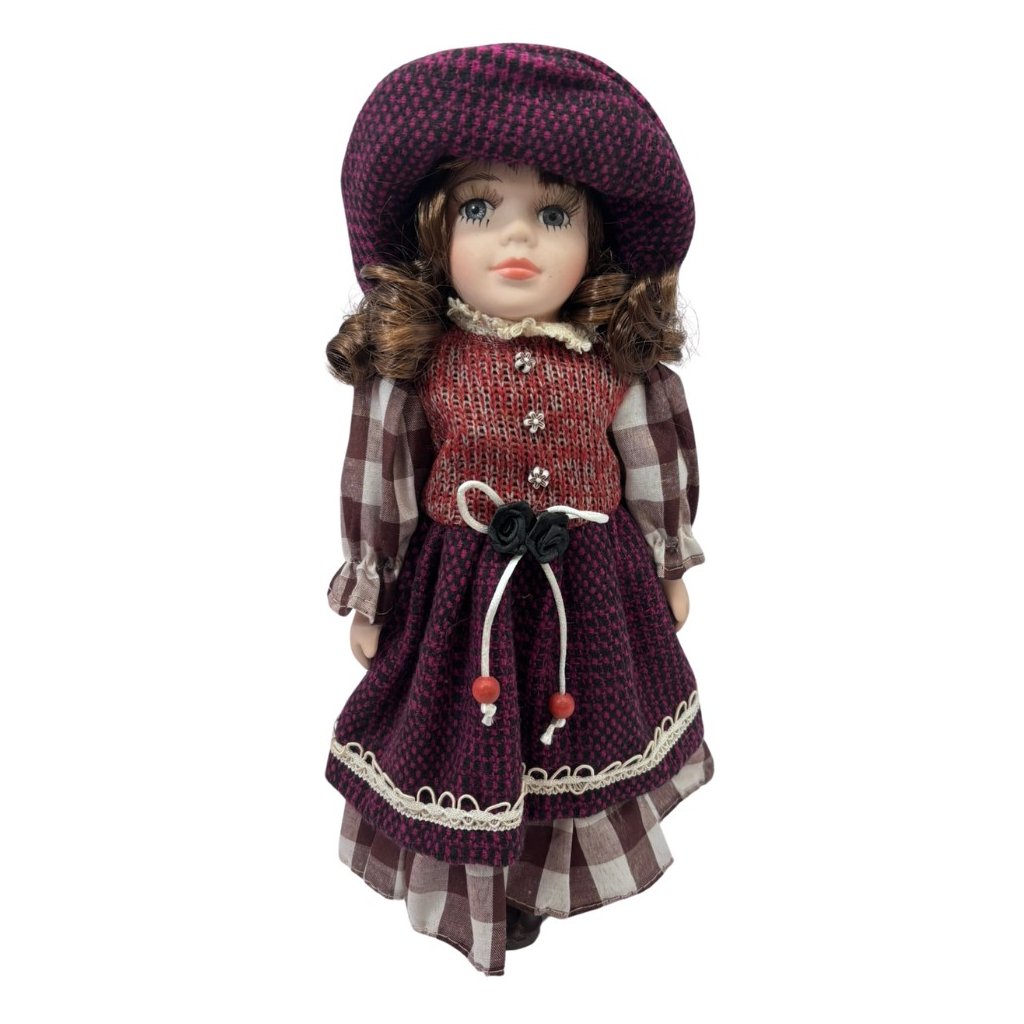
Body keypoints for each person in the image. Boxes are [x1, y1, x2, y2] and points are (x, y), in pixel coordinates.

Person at [324, 43, 713, 976]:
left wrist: (667, 558)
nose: (518, 240)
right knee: (463, 732)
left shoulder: (614, 363)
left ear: (595, 239)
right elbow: (384, 479)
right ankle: (479, 882)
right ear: (434, 234)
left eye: (553, 214)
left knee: (579, 729)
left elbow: (654, 462)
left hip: (594, 586)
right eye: (479, 210)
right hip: (460, 593)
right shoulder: (418, 365)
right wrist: (373, 589)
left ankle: (541, 877)